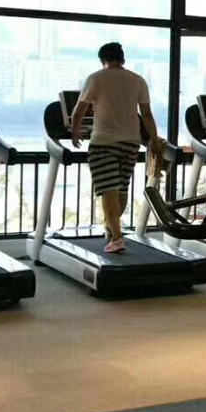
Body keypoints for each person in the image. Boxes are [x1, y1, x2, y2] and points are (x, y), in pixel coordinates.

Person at [70, 42, 163, 254]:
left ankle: (117, 236)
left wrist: (75, 131)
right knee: (121, 188)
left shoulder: (95, 78)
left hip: (103, 142)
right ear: (122, 59)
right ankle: (111, 230)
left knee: (107, 190)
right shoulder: (137, 80)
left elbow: (79, 110)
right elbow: (147, 115)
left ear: (102, 60)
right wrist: (154, 140)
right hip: (131, 142)